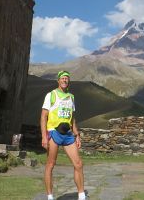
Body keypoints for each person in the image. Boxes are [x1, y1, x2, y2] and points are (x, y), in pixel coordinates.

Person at [40, 70, 85, 200]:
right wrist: (44, 136)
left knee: (78, 164)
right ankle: (50, 196)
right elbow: (43, 116)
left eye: (67, 78)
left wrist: (77, 135)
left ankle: (82, 195)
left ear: (68, 81)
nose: (65, 80)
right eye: (62, 78)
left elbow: (72, 119)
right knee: (50, 164)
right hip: (53, 132)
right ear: (58, 80)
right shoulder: (51, 95)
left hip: (68, 134)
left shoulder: (71, 97)